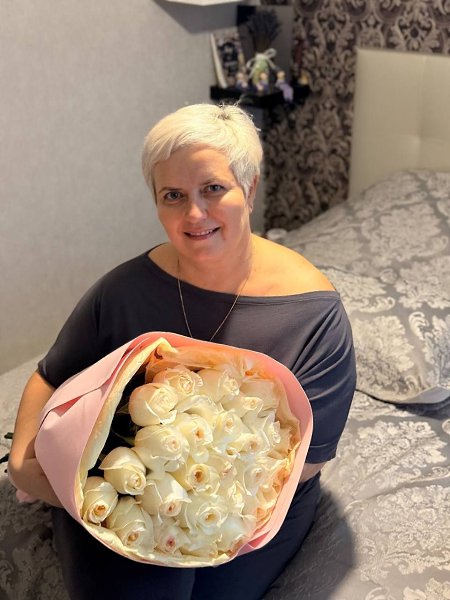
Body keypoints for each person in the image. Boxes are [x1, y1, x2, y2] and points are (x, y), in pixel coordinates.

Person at [8, 103, 356, 600]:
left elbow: (308, 461)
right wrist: (23, 459)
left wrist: (184, 505)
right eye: (173, 196)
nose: (195, 214)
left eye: (213, 189)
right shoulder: (125, 289)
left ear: (250, 188)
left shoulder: (312, 314)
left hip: (252, 498)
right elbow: (51, 374)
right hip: (123, 482)